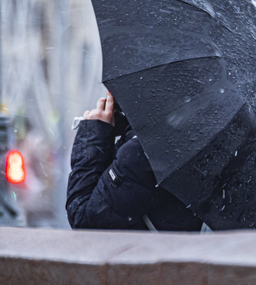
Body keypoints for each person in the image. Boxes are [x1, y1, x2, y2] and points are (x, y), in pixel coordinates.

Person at [65, 92, 204, 231]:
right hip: (187, 249)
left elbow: (83, 219)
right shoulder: (194, 131)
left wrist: (93, 135)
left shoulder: (143, 150)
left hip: (150, 251)